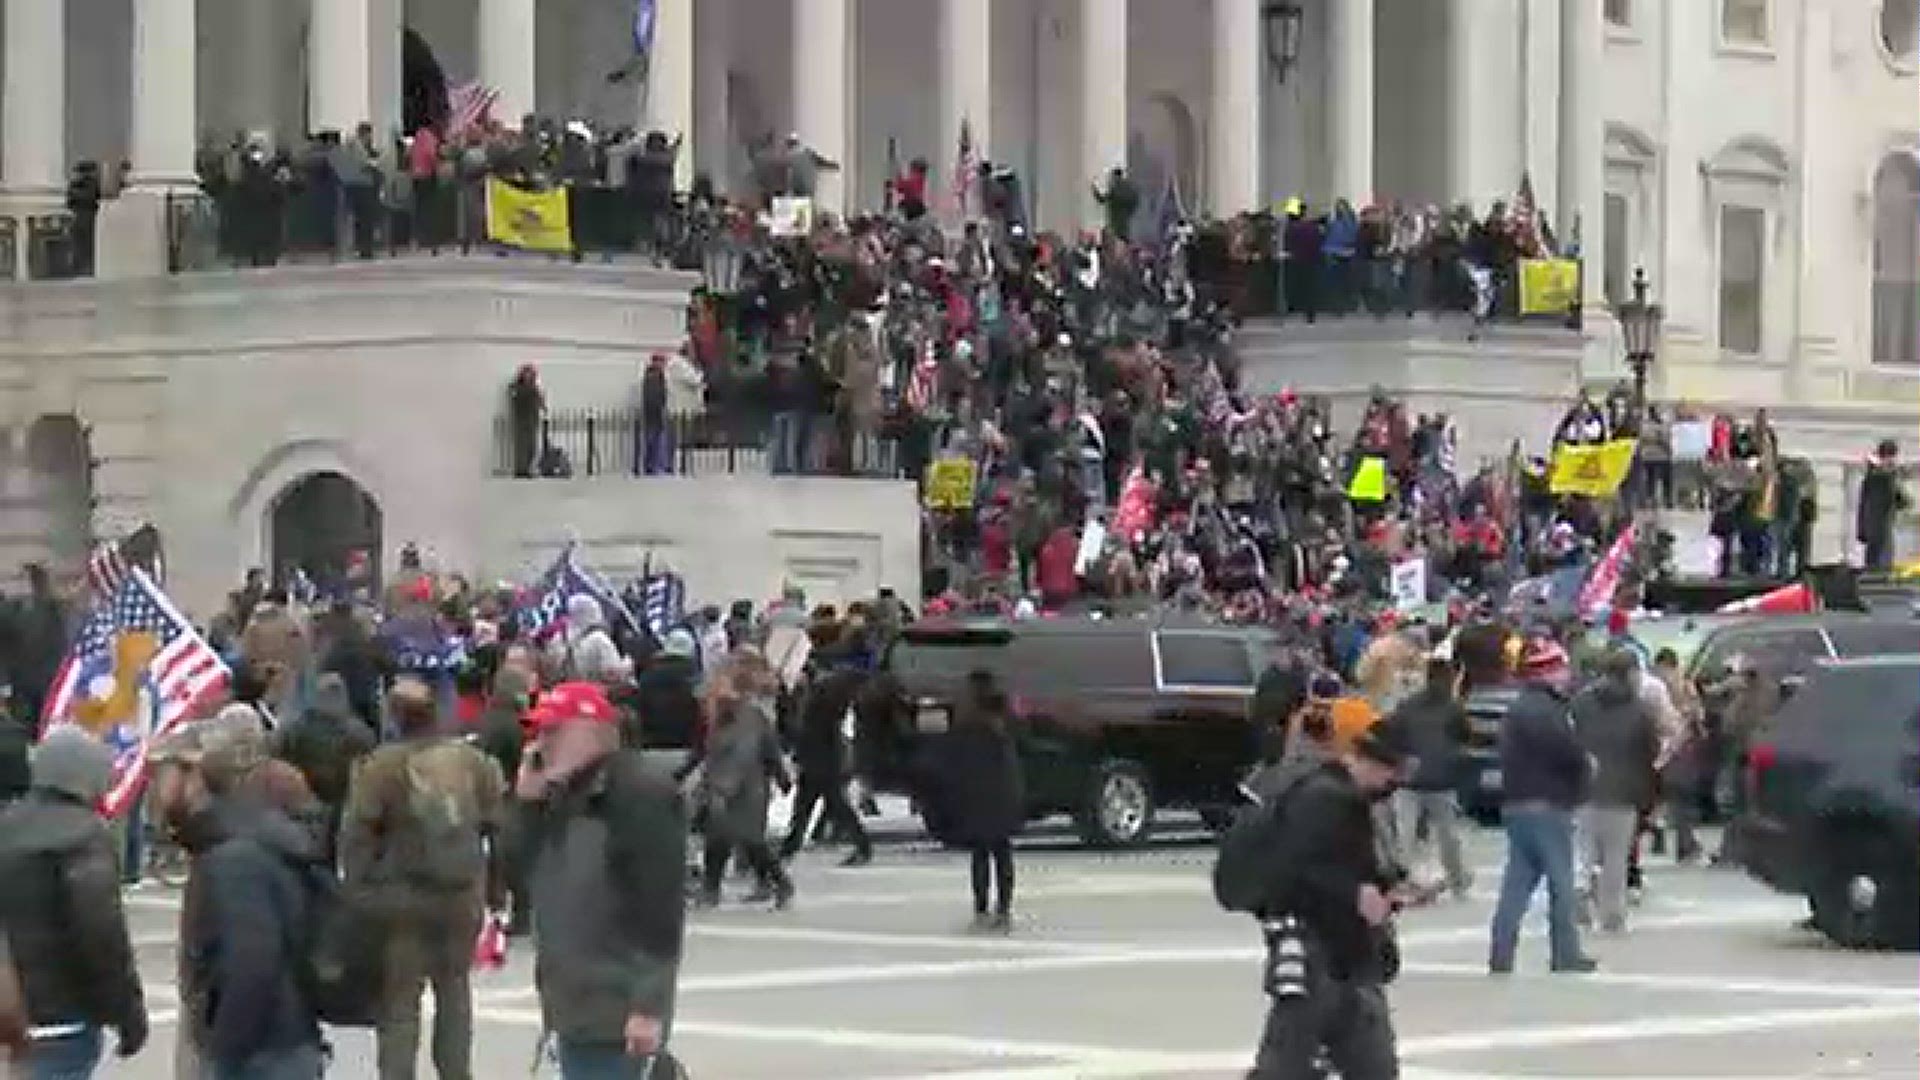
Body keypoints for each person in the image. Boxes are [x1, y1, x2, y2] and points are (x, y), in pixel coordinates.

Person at [515, 681, 688, 1079]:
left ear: (590, 733)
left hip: (615, 1001)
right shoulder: (561, 796)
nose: (542, 744)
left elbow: (658, 908)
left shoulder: (638, 794)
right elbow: (524, 876)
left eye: (553, 732)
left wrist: (648, 1005)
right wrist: (526, 805)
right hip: (572, 998)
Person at [340, 677, 507, 1080]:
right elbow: (497, 826)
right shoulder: (470, 761)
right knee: (454, 993)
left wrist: (357, 892)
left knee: (400, 1004)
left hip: (401, 898)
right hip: (460, 894)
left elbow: (358, 835)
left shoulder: (379, 766)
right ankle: (456, 1072)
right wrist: (496, 892)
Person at [150, 705, 322, 1080]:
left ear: (197, 780)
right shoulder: (237, 838)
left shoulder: (236, 858)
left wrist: (224, 1051)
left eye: (167, 773)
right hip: (274, 1032)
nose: (157, 787)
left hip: (259, 1047)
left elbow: (252, 959)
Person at [1245, 725, 1406, 1079]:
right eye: (1392, 776)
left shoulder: (1343, 798)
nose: (1392, 787)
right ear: (1374, 766)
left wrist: (1388, 891)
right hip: (1315, 949)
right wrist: (1355, 894)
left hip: (1344, 958)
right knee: (1288, 1063)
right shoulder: (1324, 798)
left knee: (1369, 1063)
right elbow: (1298, 868)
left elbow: (1347, 865)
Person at [0, 729, 148, 1079]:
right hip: (64, 1015)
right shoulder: (84, 837)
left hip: (13, 1011)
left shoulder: (7, 828)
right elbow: (102, 936)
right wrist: (128, 1014)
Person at [1487, 639, 1596, 974]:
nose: (1566, 674)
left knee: (1516, 883)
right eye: (1560, 668)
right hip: (1548, 803)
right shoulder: (1547, 711)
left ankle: (1501, 953)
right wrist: (1586, 765)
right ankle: (1565, 954)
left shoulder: (1519, 708)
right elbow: (1565, 751)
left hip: (1518, 802)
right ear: (1548, 672)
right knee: (1560, 883)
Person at [692, 651, 794, 909]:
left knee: (750, 839)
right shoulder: (716, 722)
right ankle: (710, 889)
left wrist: (781, 777)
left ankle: (780, 883)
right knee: (718, 840)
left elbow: (762, 750)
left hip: (747, 786)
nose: (710, 702)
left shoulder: (751, 717)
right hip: (722, 786)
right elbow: (704, 752)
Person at [1569, 650, 1660, 933]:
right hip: (1624, 792)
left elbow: (1571, 740)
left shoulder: (1581, 704)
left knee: (1583, 850)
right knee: (1615, 859)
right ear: (1630, 674)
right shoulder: (1639, 710)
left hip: (1585, 788)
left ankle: (1579, 891)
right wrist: (1649, 797)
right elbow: (1649, 753)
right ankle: (1612, 916)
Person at [933, 670, 1026, 932]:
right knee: (1001, 851)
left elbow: (954, 760)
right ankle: (1004, 908)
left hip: (979, 794)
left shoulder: (967, 722)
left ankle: (982, 908)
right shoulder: (1004, 719)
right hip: (1003, 792)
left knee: (982, 853)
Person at [1385, 656, 1473, 899]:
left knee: (1406, 837)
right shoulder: (1453, 708)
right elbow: (1465, 737)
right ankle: (1457, 881)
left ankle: (1405, 881)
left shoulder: (1407, 706)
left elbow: (1391, 735)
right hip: (1441, 780)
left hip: (1409, 780)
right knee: (1448, 837)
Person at [780, 651, 873, 866]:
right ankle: (790, 847)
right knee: (815, 806)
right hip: (824, 760)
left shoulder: (821, 697)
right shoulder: (828, 695)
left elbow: (808, 731)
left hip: (819, 761)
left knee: (816, 807)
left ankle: (862, 846)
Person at [274, 671, 377, 862]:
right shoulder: (358, 731)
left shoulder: (295, 728)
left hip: (310, 800)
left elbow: (280, 758)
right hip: (339, 801)